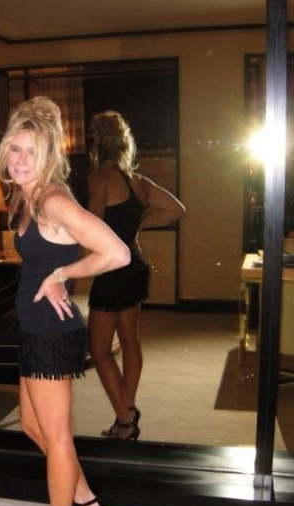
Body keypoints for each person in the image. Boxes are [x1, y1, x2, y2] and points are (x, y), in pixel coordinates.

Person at [0, 97, 130, 506]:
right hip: (35, 328)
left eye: (31, 152)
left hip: (51, 334)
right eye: (15, 149)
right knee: (33, 425)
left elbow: (116, 253)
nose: (20, 160)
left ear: (49, 154)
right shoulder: (28, 195)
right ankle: (86, 500)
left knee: (56, 439)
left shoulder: (52, 199)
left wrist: (63, 274)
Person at [87, 111, 186, 442]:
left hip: (113, 268)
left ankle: (125, 419)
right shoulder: (137, 180)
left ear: (96, 142)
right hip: (135, 264)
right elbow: (177, 209)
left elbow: (92, 228)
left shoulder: (100, 178)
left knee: (99, 349)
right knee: (130, 340)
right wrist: (139, 223)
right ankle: (126, 411)